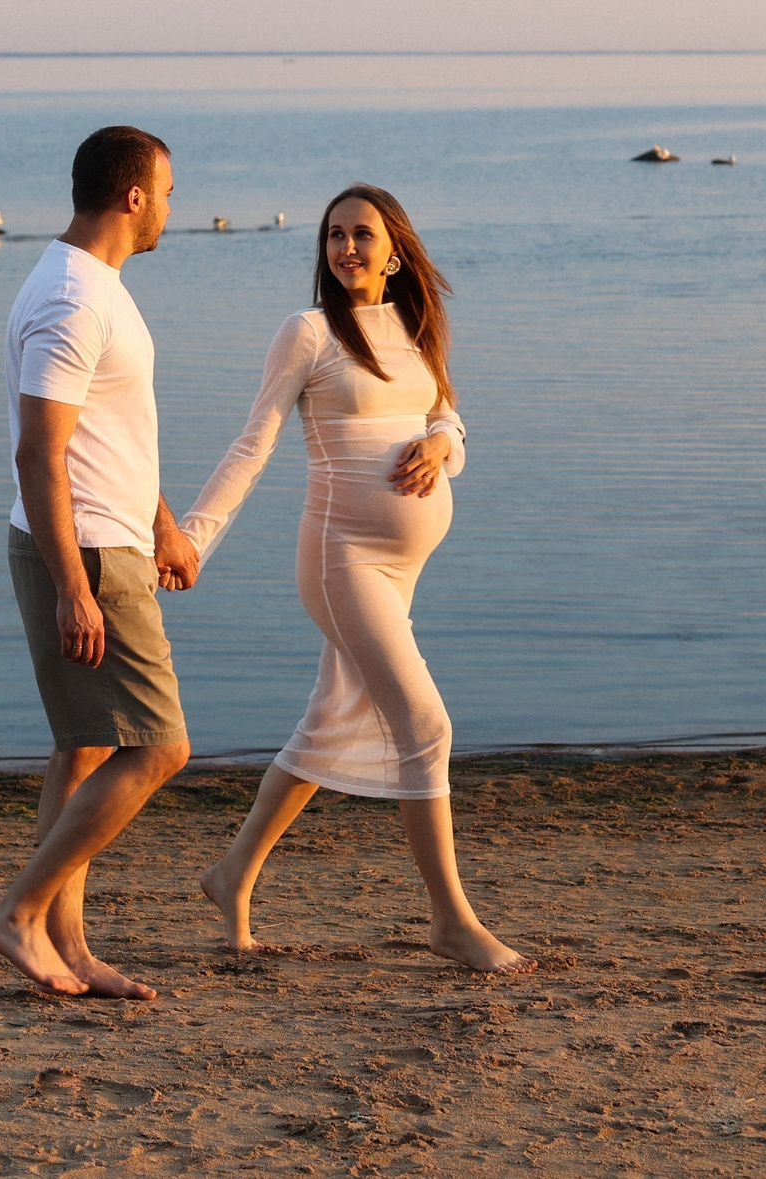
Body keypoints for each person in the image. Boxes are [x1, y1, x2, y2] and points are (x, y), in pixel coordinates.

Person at [184, 184, 531, 974]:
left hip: (401, 566)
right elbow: (252, 445)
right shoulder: (307, 333)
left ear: (395, 251)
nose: (346, 248)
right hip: (343, 559)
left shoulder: (414, 328)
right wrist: (195, 541)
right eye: (334, 235)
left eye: (362, 235)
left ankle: (232, 872)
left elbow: (446, 413)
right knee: (426, 725)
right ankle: (451, 921)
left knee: (331, 721)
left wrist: (444, 445)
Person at [0, 126, 200, 998]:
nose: (172, 210)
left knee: (84, 748)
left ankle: (67, 946)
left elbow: (109, 435)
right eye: (169, 194)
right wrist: (76, 587)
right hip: (90, 552)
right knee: (162, 746)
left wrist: (167, 523)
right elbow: (40, 453)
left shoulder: (91, 285)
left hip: (114, 536)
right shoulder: (74, 299)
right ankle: (19, 912)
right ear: (134, 197)